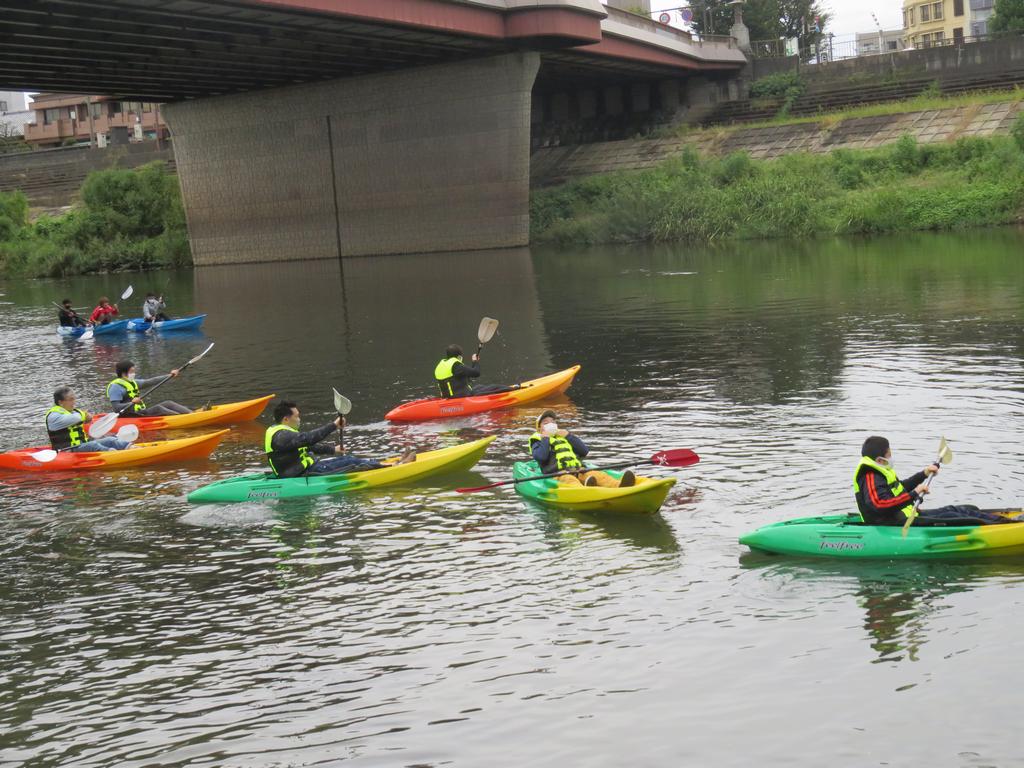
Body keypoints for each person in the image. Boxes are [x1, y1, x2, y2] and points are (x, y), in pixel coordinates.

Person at [853, 435, 1016, 526]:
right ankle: (1005, 525)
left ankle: (1003, 520)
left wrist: (924, 473)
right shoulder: (870, 476)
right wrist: (913, 494)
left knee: (963, 508)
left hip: (907, 516)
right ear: (880, 459)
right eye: (889, 454)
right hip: (892, 524)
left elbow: (899, 489)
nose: (891, 457)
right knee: (953, 515)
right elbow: (880, 505)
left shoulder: (881, 471)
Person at [265, 400, 414, 477]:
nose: (299, 419)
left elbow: (308, 447)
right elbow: (309, 439)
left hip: (308, 468)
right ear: (286, 419)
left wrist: (332, 450)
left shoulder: (284, 433)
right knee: (350, 463)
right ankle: (395, 467)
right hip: (302, 474)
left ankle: (394, 462)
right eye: (297, 416)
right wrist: (334, 425)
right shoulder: (282, 436)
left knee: (348, 458)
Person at [528, 410, 635, 488]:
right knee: (569, 480)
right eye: (546, 423)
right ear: (539, 428)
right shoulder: (537, 440)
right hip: (558, 475)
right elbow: (541, 457)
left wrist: (569, 436)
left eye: (552, 422)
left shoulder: (563, 437)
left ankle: (618, 485)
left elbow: (584, 451)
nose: (550, 424)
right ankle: (584, 490)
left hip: (578, 469)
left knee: (597, 474)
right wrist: (545, 439)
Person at [46, 386, 131, 452]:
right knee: (92, 445)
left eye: (74, 398)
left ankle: (132, 447)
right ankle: (114, 454)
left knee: (111, 440)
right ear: (61, 402)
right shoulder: (53, 416)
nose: (74, 402)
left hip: (81, 446)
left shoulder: (73, 412)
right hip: (67, 450)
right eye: (71, 399)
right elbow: (73, 419)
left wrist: (87, 419)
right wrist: (84, 416)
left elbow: (79, 417)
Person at [106, 360, 193, 417]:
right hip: (130, 416)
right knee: (158, 409)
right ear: (123, 373)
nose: (134, 373)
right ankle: (183, 418)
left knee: (168, 403)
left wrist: (170, 375)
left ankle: (191, 414)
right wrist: (131, 403)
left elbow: (151, 381)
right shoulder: (115, 387)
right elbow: (116, 408)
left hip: (140, 412)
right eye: (132, 371)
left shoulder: (133, 382)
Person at [434, 344, 514, 398]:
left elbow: (467, 375)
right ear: (458, 357)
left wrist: (474, 363)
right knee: (495, 387)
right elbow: (476, 373)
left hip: (448, 397)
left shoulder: (441, 365)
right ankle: (515, 390)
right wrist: (475, 361)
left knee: (480, 387)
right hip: (462, 397)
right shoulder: (456, 365)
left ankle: (512, 388)